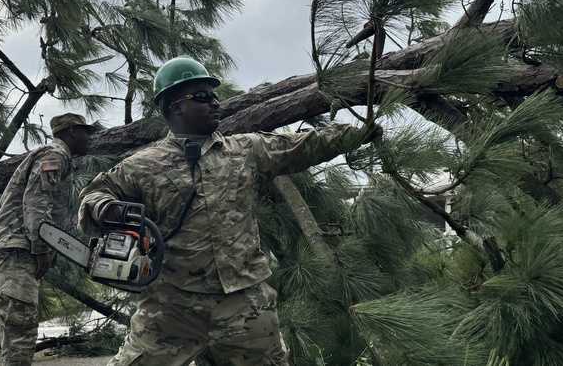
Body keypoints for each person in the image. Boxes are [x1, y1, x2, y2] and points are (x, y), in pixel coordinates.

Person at [78, 57, 380, 366]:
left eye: (214, 95)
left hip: (245, 305)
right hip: (171, 307)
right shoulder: (141, 165)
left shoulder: (245, 149)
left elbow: (304, 145)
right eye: (202, 97)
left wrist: (359, 132)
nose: (215, 103)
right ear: (174, 106)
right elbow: (93, 195)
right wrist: (105, 208)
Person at [0, 112, 98, 365]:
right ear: (70, 132)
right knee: (19, 330)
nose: (89, 138)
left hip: (6, 247)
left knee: (6, 337)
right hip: (19, 249)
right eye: (85, 132)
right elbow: (37, 203)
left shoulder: (53, 156)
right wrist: (42, 248)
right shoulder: (54, 156)